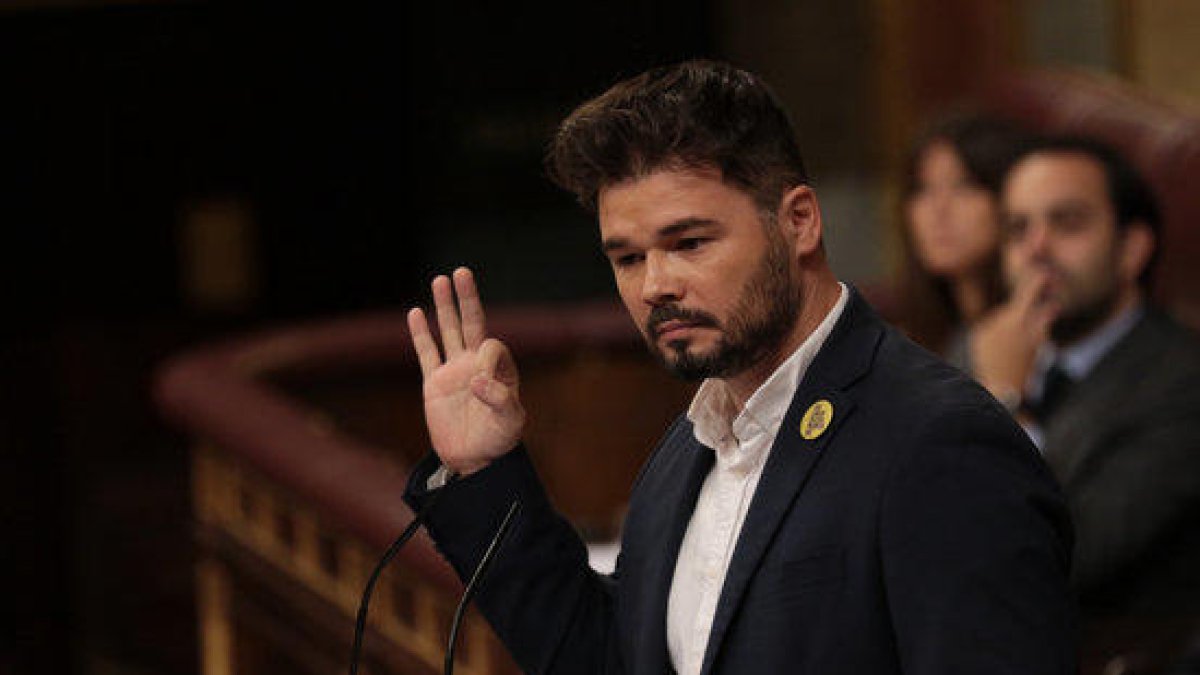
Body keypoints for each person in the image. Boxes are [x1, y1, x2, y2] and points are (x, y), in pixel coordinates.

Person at [403, 60, 1075, 674]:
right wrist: (483, 474)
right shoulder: (684, 451)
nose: (654, 285)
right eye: (628, 258)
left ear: (800, 222)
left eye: (688, 242)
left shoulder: (939, 441)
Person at [975, 135, 1200, 665]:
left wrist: (1003, 405)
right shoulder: (981, 343)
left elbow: (1063, 559)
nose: (1037, 250)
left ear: (1132, 249)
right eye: (1018, 229)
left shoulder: (1182, 382)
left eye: (1067, 223)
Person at [899, 113, 1028, 369]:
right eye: (923, 189)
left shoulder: (1031, 335)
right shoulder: (913, 339)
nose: (938, 210)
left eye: (964, 186)